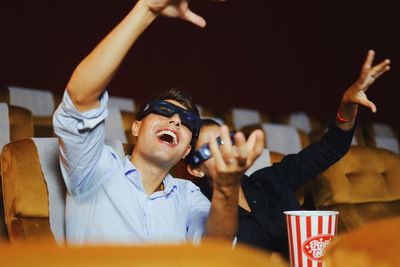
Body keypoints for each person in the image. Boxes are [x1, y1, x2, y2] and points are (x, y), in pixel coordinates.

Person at [53, 0, 264, 244]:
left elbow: (215, 251)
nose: (175, 120)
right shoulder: (95, 168)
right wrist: (146, 9)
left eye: (187, 122)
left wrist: (227, 189)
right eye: (163, 110)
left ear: (186, 150)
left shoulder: (189, 196)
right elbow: (80, 98)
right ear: (136, 126)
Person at [186, 50, 391, 255]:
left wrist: (347, 105)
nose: (224, 149)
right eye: (209, 148)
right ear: (196, 170)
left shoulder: (270, 180)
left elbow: (331, 148)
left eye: (226, 140)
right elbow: (212, 253)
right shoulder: (199, 207)